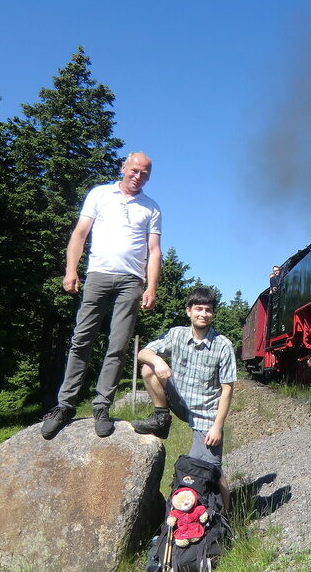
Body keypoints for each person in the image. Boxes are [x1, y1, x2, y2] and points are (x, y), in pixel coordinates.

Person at [41, 152, 162, 440]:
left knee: (117, 346)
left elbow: (154, 250)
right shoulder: (99, 194)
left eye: (144, 173)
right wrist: (71, 270)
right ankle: (65, 406)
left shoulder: (151, 208)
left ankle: (101, 406)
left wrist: (151, 286)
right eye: (134, 170)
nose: (137, 176)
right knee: (81, 339)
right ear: (123, 168)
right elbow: (80, 233)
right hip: (98, 275)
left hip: (132, 281)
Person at [131, 287, 236, 510]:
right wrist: (159, 361)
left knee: (210, 468)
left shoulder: (223, 345)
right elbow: (142, 353)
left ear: (213, 313)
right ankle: (161, 418)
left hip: (205, 415)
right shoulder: (176, 334)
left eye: (208, 310)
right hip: (177, 400)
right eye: (198, 309)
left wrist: (217, 427)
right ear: (188, 311)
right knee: (148, 368)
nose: (203, 314)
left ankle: (226, 516)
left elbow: (227, 390)